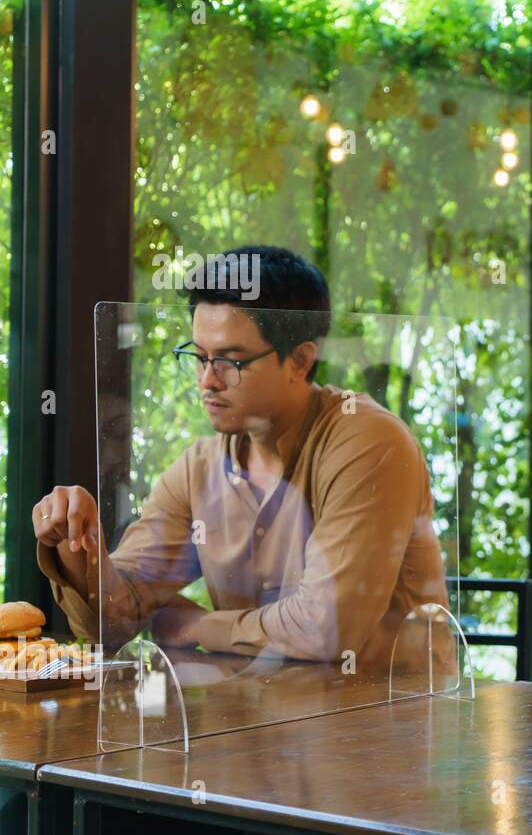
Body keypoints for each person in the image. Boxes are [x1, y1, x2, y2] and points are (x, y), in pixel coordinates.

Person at [30, 246, 451, 668]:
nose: (207, 381)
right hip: (262, 722)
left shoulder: (367, 440)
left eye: (230, 360)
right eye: (198, 357)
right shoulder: (200, 467)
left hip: (387, 722)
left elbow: (326, 629)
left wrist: (197, 627)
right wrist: (76, 542)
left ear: (301, 360)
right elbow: (115, 621)